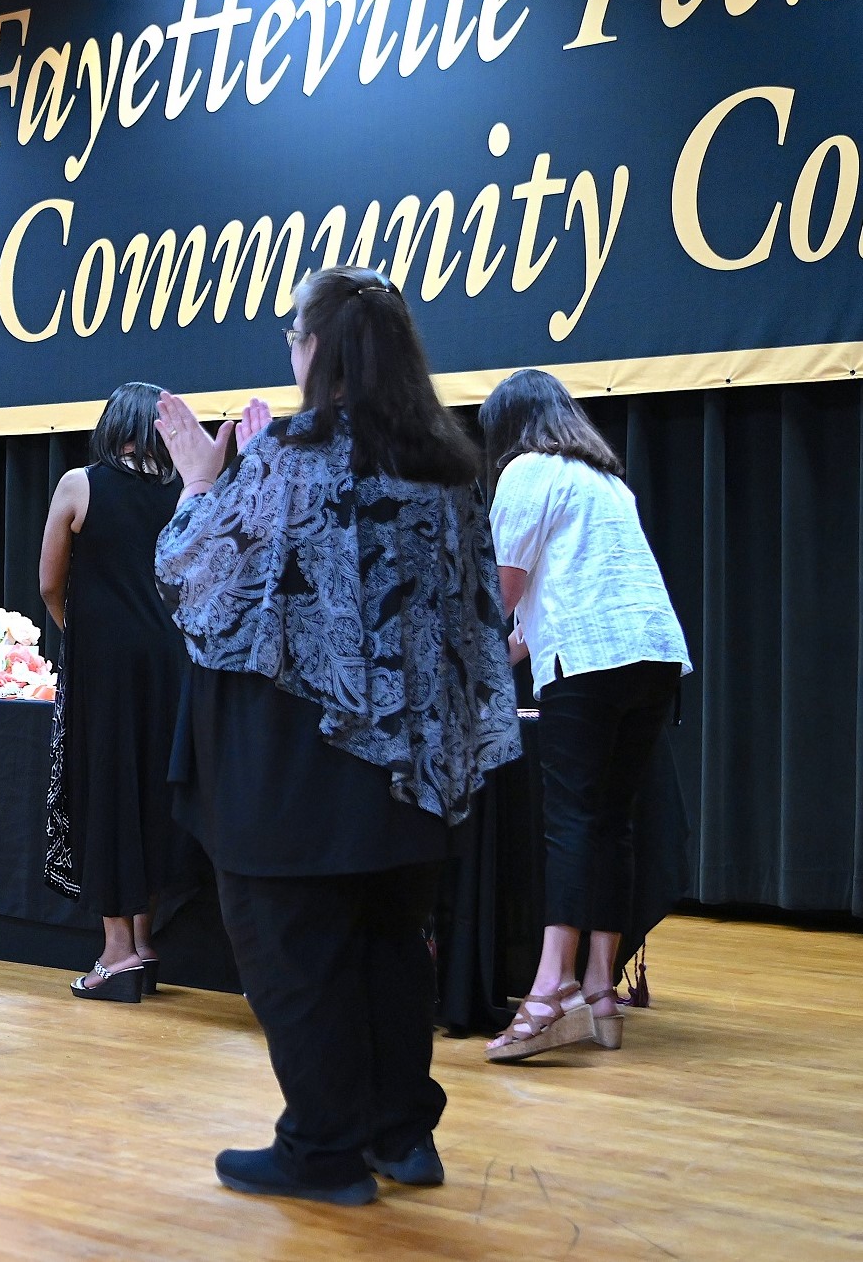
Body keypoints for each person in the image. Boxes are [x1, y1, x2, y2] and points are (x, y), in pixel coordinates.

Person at [153, 266, 520, 1205]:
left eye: (292, 333)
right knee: (392, 948)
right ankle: (402, 1136)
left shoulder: (293, 458)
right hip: (411, 763)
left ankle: (321, 1151)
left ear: (317, 350)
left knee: (296, 952)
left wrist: (201, 482)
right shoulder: (447, 466)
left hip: (300, 765)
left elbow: (200, 586)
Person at [478, 369, 690, 1062]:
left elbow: (502, 597)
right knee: (611, 820)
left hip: (591, 664)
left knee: (569, 821)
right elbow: (542, 615)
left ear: (508, 428)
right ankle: (601, 992)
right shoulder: (606, 480)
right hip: (655, 655)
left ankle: (550, 993)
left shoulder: (525, 473)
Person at [37, 382, 185, 1002]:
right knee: (155, 794)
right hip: (175, 665)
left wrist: (87, 638)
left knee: (106, 795)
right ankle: (146, 943)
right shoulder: (186, 490)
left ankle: (115, 954)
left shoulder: (80, 484)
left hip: (106, 665)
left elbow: (49, 584)